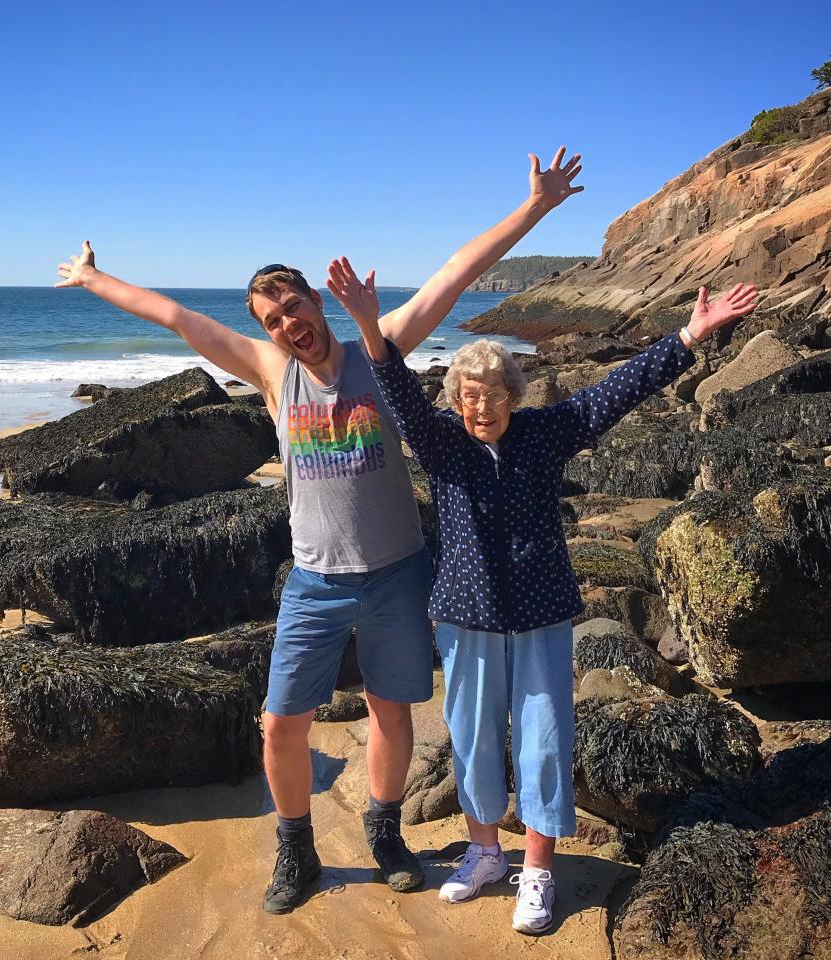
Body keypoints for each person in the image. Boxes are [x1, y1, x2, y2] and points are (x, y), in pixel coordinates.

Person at [54, 146, 584, 914]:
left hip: (399, 572)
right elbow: (178, 318)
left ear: (314, 301)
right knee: (279, 725)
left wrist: (536, 208)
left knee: (390, 712)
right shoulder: (271, 372)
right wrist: (95, 280)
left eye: (293, 308)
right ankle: (296, 852)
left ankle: (384, 832)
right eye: (272, 320)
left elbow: (455, 272)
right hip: (315, 581)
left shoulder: (380, 347)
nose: (287, 325)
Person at [326, 257, 757, 934]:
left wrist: (688, 339)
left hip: (542, 616)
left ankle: (539, 871)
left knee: (545, 743)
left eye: (494, 393)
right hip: (465, 619)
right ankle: (484, 853)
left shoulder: (546, 432)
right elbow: (397, 389)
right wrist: (365, 323)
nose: (481, 406)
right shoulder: (442, 445)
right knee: (469, 738)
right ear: (456, 399)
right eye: (469, 394)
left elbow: (617, 390)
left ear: (515, 394)